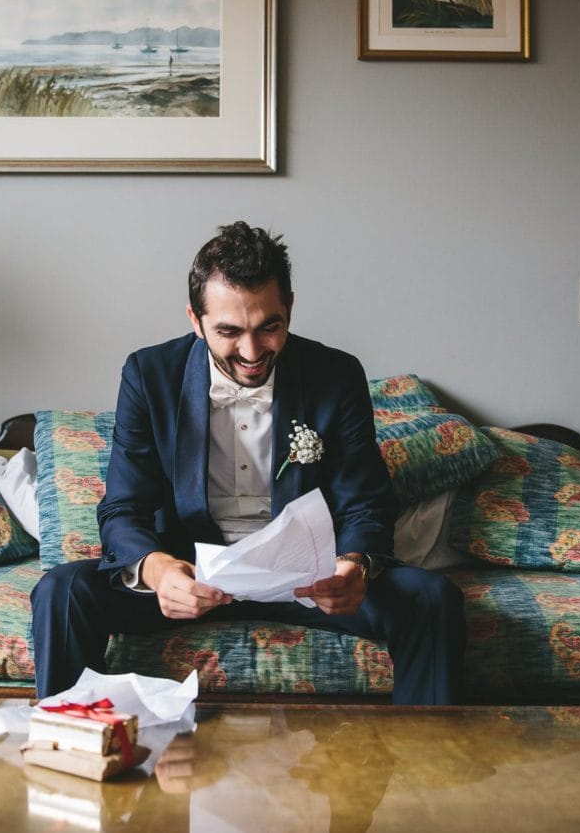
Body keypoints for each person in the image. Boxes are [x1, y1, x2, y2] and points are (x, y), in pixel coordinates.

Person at [30, 221, 466, 704]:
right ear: (195, 320)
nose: (252, 352)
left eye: (269, 327)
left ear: (289, 308)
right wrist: (159, 572)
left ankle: (426, 750)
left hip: (305, 582)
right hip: (193, 575)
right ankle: (70, 740)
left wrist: (354, 567)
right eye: (228, 331)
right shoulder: (149, 375)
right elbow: (122, 508)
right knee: (62, 590)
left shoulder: (336, 375)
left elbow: (365, 502)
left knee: (431, 599)